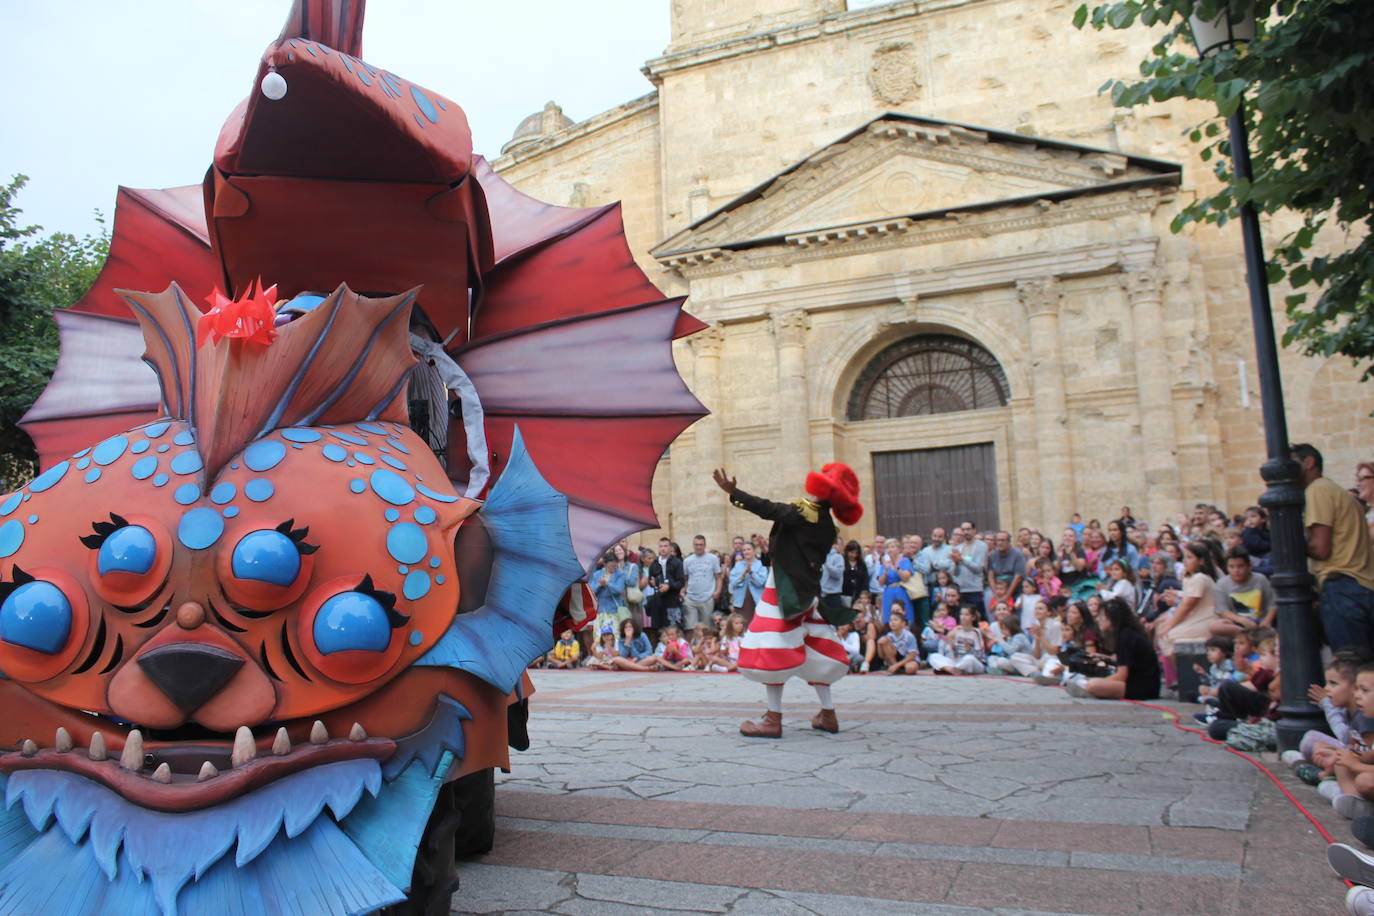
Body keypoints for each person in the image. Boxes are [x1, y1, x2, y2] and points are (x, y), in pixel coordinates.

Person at [712, 463, 862, 738]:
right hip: (808, 594)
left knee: (773, 647)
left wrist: (735, 493)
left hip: (783, 591)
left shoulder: (802, 512)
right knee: (816, 651)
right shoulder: (828, 526)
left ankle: (773, 718)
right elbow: (799, 553)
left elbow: (769, 508)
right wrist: (771, 548)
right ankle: (828, 714)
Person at [1294, 443, 1374, 653]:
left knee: (1352, 667)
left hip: (1342, 584)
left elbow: (1321, 549)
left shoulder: (1317, 490)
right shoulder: (1334, 490)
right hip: (1360, 584)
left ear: (1309, 462)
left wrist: (1293, 542)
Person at [1063, 598, 1161, 700]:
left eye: (1101, 616)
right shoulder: (1125, 634)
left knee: (1093, 685)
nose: (1098, 619)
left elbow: (1121, 676)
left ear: (1113, 617)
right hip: (1136, 683)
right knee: (1089, 681)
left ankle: (1089, 689)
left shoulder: (1126, 636)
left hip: (1142, 687)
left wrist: (1100, 681)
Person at [1154, 541, 1222, 685]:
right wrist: (1178, 595)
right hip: (1198, 617)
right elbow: (1186, 598)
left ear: (1201, 560)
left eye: (1190, 557)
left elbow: (1188, 605)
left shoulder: (1200, 578)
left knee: (1166, 634)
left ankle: (1183, 680)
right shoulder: (1192, 577)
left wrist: (1169, 625)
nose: (1185, 561)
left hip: (1206, 619)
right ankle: (1179, 679)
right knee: (1163, 631)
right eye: (1185, 557)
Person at [1211, 546, 1277, 637]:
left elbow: (1272, 604)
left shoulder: (1261, 579)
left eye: (1240, 566)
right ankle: (1246, 634)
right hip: (1238, 623)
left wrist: (1267, 621)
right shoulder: (1222, 583)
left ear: (1249, 566)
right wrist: (1243, 621)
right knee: (1215, 627)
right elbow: (1223, 610)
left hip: (1261, 623)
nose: (1236, 570)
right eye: (1231, 567)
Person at [682, 534, 724, 634]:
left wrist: (717, 591)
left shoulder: (713, 558)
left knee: (707, 628)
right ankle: (691, 648)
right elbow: (686, 578)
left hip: (707, 597)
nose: (699, 547)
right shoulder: (687, 560)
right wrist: (685, 591)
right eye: (696, 544)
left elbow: (719, 577)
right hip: (691, 598)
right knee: (690, 627)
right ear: (693, 545)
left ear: (705, 545)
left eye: (701, 544)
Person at [928, 606, 986, 676]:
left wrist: (970, 649)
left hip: (974, 663)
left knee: (969, 658)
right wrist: (953, 647)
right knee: (933, 656)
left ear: (973, 617)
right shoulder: (957, 630)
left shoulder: (976, 632)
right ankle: (952, 669)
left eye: (966, 615)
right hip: (959, 661)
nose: (963, 617)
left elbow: (980, 655)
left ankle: (949, 670)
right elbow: (955, 653)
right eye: (961, 614)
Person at [646, 536, 685, 632]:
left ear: (670, 547)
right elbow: (650, 580)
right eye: (661, 546)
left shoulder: (677, 562)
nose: (663, 548)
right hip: (658, 601)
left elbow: (681, 582)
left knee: (674, 629)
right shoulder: (654, 563)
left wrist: (669, 586)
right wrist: (652, 583)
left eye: (665, 546)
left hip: (672, 600)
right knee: (659, 630)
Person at [949, 524, 988, 616]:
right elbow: (954, 573)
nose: (966, 532)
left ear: (974, 530)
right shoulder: (958, 548)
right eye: (963, 530)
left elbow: (978, 568)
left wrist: (961, 559)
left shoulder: (981, 546)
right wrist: (955, 563)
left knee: (977, 617)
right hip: (960, 590)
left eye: (968, 529)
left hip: (974, 589)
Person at [986, 531, 1027, 604]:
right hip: (998, 590)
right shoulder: (992, 556)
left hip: (1015, 590)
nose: (1000, 543)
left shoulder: (1017, 554)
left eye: (1003, 540)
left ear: (1008, 542)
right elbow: (990, 576)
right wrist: (996, 595)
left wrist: (1007, 596)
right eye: (998, 540)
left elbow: (1018, 577)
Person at [729, 542, 768, 614]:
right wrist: (743, 574)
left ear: (754, 551)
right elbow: (733, 583)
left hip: (757, 601)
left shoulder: (761, 564)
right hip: (740, 602)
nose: (746, 552)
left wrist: (751, 573)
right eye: (744, 550)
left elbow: (761, 582)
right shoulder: (738, 565)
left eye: (748, 549)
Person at [877, 611, 920, 675]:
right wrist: (879, 644)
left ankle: (897, 668)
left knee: (910, 668)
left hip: (909, 659)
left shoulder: (909, 636)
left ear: (903, 623)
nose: (892, 622)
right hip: (895, 659)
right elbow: (881, 656)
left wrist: (897, 665)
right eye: (891, 620)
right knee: (885, 641)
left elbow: (912, 656)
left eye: (895, 620)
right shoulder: (889, 635)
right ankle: (896, 668)